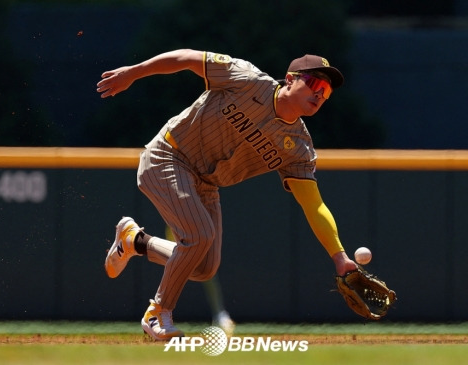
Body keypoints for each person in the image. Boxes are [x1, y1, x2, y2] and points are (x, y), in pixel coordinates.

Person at [96, 49, 358, 341]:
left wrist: (339, 256)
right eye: (314, 84)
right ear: (289, 79)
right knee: (199, 235)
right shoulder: (247, 79)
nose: (320, 94)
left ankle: (135, 241)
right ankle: (158, 312)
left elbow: (314, 205)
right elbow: (186, 58)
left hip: (205, 183)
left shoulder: (298, 147)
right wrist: (133, 72)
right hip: (168, 155)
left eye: (327, 91)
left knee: (203, 266)